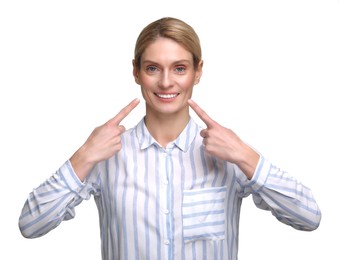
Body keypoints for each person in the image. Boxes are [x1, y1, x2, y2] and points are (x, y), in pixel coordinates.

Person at [19, 17, 321, 260]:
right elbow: (31, 226)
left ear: (198, 72)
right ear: (136, 72)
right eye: (153, 68)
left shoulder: (228, 154)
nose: (166, 82)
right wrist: (84, 155)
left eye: (179, 68)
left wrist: (245, 155)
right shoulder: (106, 154)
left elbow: (309, 218)